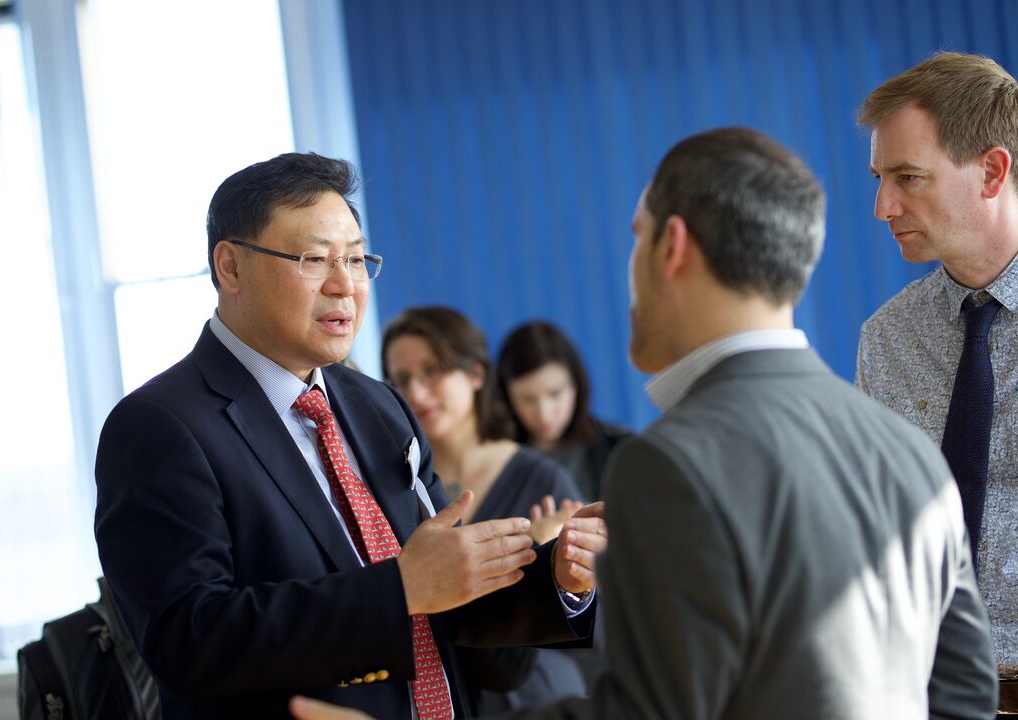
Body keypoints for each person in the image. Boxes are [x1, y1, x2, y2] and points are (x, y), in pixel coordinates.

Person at [290, 128, 998, 720]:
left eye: (636, 237)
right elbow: (963, 692)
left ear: (673, 247)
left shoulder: (672, 464)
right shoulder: (906, 450)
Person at [93, 152, 604, 719]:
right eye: (314, 259)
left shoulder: (378, 405)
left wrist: (556, 578)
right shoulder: (161, 425)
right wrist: (399, 589)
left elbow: (442, 598)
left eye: (358, 260)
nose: (345, 285)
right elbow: (186, 639)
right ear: (231, 267)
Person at [855, 51, 1018, 709]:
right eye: (879, 177)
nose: (882, 205)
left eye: (909, 177)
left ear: (992, 171)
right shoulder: (886, 339)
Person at [381, 306, 586, 712]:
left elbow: (584, 623)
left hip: (533, 700)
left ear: (476, 374)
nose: (417, 393)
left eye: (433, 370)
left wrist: (543, 556)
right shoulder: (396, 486)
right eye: (402, 379)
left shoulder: (543, 481)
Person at [495, 321, 633, 502]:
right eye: (528, 399)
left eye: (555, 394)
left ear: (575, 385)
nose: (544, 414)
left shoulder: (619, 449)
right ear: (506, 397)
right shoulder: (493, 462)